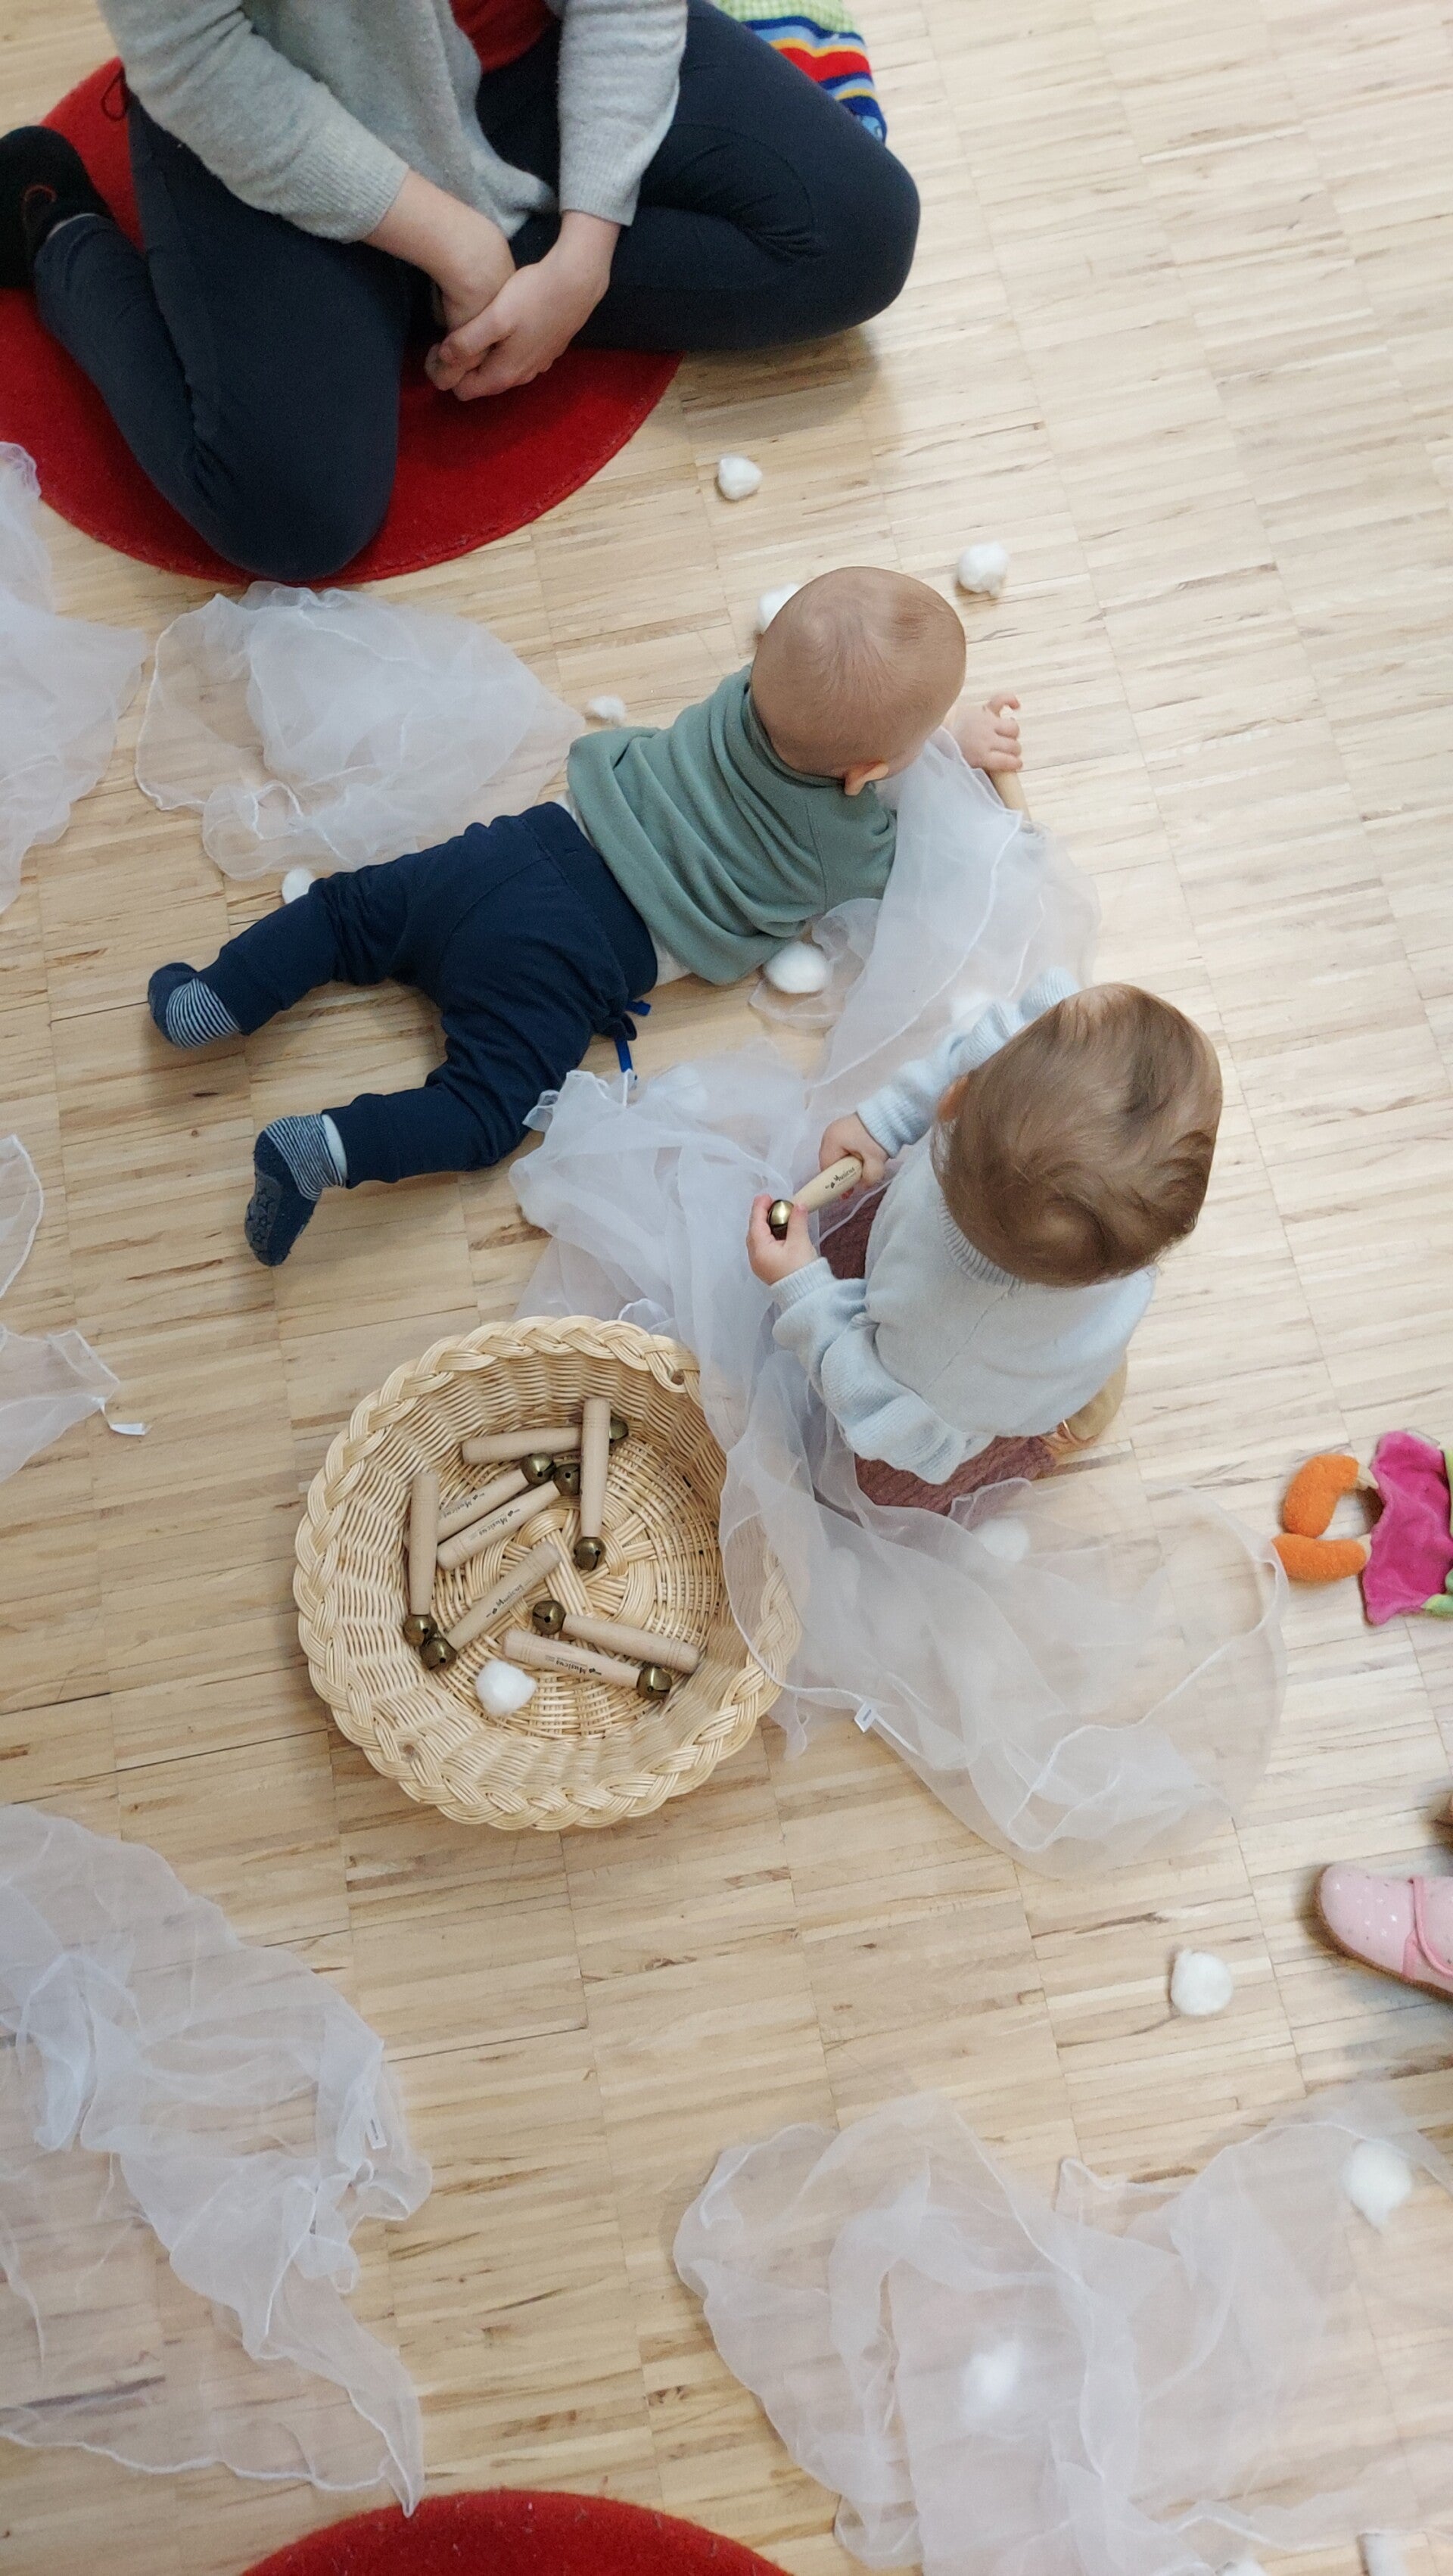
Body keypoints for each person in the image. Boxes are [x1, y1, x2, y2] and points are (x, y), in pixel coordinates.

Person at [145, 568, 1022, 1264]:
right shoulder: (848, 838)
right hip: (575, 956)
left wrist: (910, 738)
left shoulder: (744, 694)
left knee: (344, 913)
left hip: (518, 848)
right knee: (484, 1111)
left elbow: (836, 728)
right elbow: (915, 846)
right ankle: (322, 1147)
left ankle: (214, 999)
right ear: (869, 773)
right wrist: (949, 751)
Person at [0, 0, 919, 580]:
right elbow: (200, 65)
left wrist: (584, 256)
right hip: (279, 106)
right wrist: (461, 251)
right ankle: (58, 231)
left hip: (526, 56)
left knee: (862, 231)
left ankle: (412, 291)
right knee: (288, 517)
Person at [746, 979, 1223, 1509]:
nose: (1051, 1000)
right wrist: (883, 1122)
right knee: (1075, 1355)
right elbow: (1007, 1031)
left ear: (956, 1097)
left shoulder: (947, 1342)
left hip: (978, 1393)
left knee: (877, 1485)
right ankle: (1087, 1376)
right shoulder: (1118, 1213)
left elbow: (873, 1401)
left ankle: (1048, 1425)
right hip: (1069, 1335)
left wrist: (803, 1290)